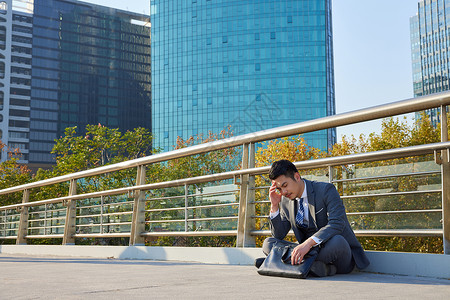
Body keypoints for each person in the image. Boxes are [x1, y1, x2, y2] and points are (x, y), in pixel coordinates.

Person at [259, 159, 369, 277]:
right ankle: (316, 267)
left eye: (285, 185)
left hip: (331, 250)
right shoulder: (285, 200)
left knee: (338, 241)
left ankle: (280, 263)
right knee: (268, 243)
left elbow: (337, 223)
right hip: (307, 252)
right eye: (279, 189)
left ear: (297, 177)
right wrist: (274, 206)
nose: (284, 192)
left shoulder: (326, 190)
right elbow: (278, 235)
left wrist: (308, 244)